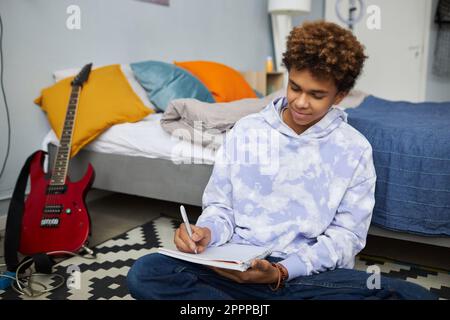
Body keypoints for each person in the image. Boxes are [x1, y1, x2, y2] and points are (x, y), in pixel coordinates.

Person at [127, 21, 436, 300]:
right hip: (233, 266)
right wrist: (207, 232)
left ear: (339, 95)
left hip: (303, 275)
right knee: (148, 272)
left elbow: (347, 237)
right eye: (295, 88)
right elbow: (221, 208)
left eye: (316, 95)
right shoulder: (247, 130)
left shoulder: (354, 148)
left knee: (409, 295)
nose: (301, 102)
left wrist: (281, 272)